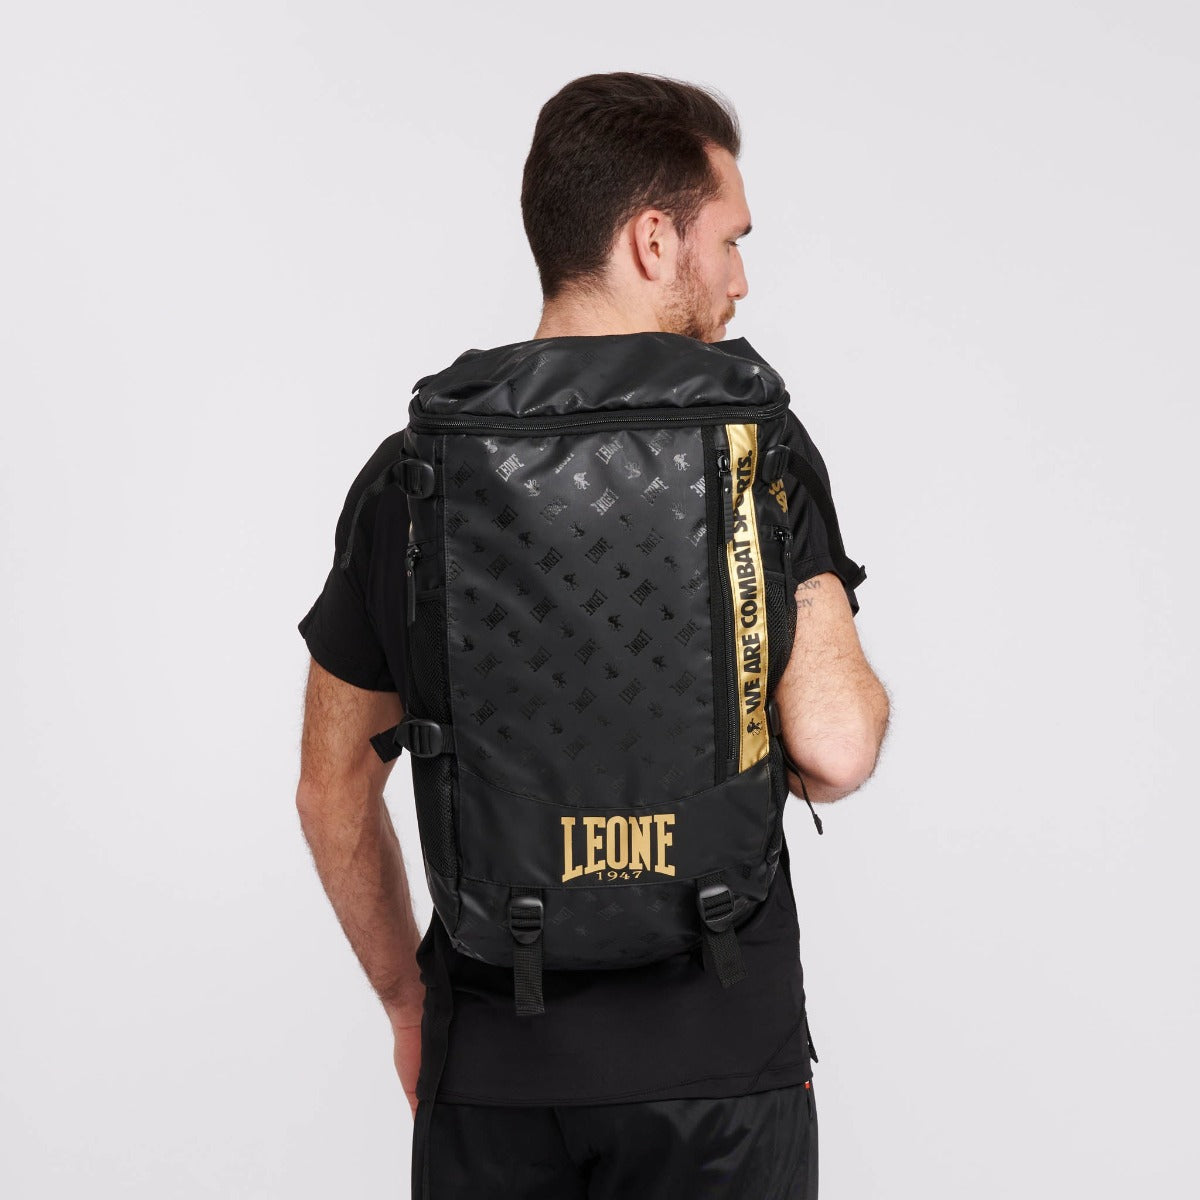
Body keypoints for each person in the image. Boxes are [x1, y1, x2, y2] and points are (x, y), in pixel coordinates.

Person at [295, 71, 890, 1199]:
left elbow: (331, 792)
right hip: (720, 1064)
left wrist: (409, 1008)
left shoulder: (413, 473)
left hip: (493, 1072)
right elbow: (836, 748)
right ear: (654, 240)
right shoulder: (757, 448)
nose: (742, 280)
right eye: (730, 241)